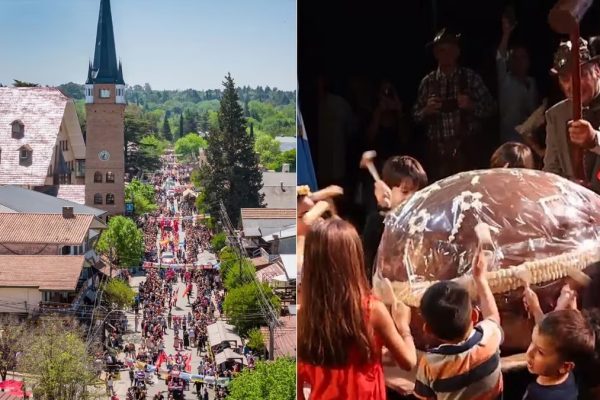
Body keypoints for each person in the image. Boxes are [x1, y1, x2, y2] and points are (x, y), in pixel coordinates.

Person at [298, 218, 417, 399]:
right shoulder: (372, 311)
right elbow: (408, 362)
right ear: (353, 260)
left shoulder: (303, 316)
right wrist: (403, 326)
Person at [414, 249, 503, 399]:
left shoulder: (430, 365)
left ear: (427, 329)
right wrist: (480, 279)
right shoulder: (489, 338)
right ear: (475, 315)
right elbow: (493, 316)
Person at [413, 28, 495, 181]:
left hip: (467, 153)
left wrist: (471, 106)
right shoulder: (428, 82)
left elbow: (491, 109)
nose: (447, 55)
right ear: (436, 54)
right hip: (438, 157)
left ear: (458, 52)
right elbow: (415, 116)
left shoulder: (470, 78)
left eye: (451, 50)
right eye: (442, 50)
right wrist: (426, 111)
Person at [543, 38, 600, 193]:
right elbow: (551, 170)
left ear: (597, 71)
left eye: (580, 75)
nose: (571, 86)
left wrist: (595, 139)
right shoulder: (555, 115)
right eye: (565, 79)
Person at [362, 156, 428, 279]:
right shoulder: (376, 222)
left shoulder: (423, 222)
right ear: (387, 190)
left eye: (417, 193)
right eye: (405, 191)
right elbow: (369, 263)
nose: (411, 198)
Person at [497, 12, 539, 144]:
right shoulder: (504, 80)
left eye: (523, 57)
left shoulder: (532, 83)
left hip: (531, 143)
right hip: (509, 142)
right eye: (515, 58)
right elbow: (500, 57)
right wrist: (506, 34)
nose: (519, 62)